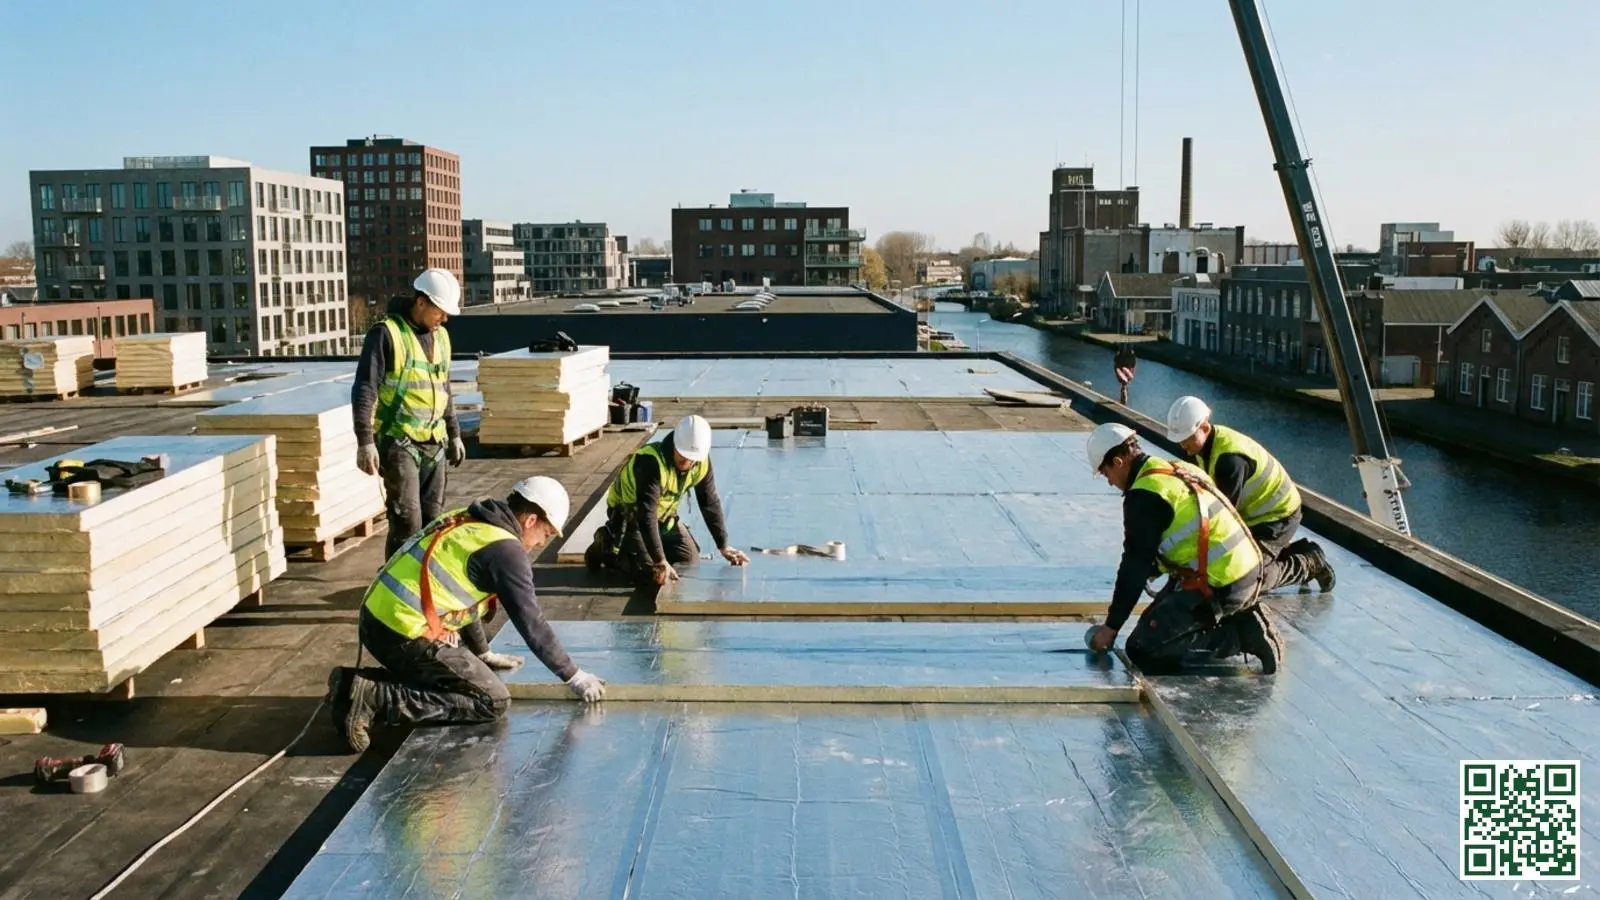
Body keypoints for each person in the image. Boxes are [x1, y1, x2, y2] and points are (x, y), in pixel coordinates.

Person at [326, 476, 606, 752]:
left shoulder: (472, 520)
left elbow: (462, 595)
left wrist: (482, 652)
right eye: (546, 533)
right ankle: (375, 697)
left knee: (461, 674)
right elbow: (531, 621)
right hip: (402, 631)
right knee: (491, 700)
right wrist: (574, 676)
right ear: (531, 520)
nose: (543, 543)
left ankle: (353, 685)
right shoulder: (506, 552)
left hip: (382, 618)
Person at [1081, 423, 1333, 675]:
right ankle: (1239, 615)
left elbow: (1132, 568)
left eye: (1106, 474)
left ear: (1118, 461)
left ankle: (1243, 634)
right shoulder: (1175, 468)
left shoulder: (1143, 497)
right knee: (1157, 620)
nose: (1110, 483)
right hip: (1241, 569)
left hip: (1223, 582)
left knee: (1142, 649)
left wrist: (1111, 627)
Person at [352, 268, 467, 562]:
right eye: (440, 311)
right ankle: (395, 584)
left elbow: (444, 387)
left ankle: (422, 582)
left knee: (432, 521)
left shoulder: (441, 337)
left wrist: (454, 433)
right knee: (407, 522)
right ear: (421, 303)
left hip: (434, 441)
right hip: (398, 441)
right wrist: (365, 441)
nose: (444, 319)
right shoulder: (386, 334)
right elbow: (366, 387)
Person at [1165, 395, 1334, 590]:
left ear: (1204, 428)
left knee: (1246, 578)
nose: (1183, 445)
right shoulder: (1201, 448)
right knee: (1235, 559)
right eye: (1180, 440)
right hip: (1255, 517)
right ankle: (1288, 550)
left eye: (1187, 438)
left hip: (1278, 517)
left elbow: (1224, 518)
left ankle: (1310, 562)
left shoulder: (1229, 460)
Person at [586, 414, 749, 586]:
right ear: (674, 444)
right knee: (653, 576)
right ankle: (606, 543)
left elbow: (709, 502)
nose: (686, 461)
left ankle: (650, 549)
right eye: (682, 455)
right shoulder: (651, 461)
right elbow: (646, 514)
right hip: (631, 517)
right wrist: (660, 561)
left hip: (664, 518)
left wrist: (723, 545)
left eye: (691, 459)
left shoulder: (701, 463)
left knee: (689, 565)